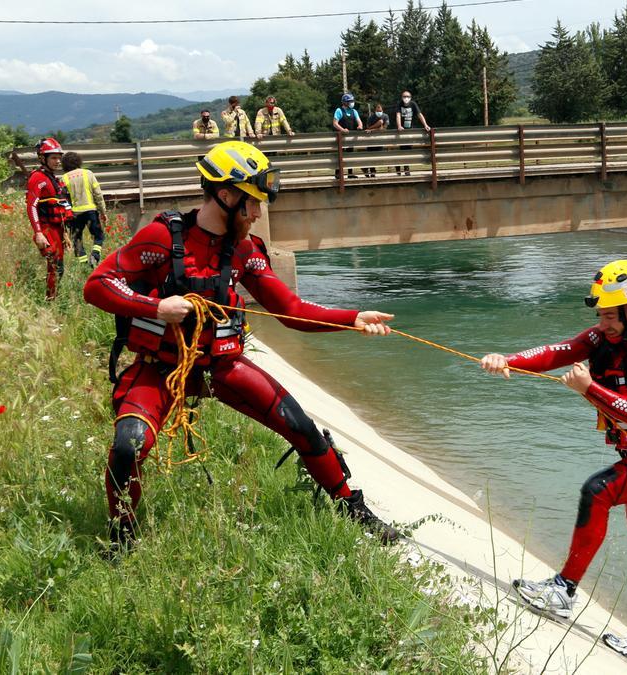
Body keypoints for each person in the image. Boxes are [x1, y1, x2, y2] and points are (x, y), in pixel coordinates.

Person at [83, 140, 400, 551]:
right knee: (128, 447)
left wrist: (351, 319)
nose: (257, 213)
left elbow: (291, 310)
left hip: (223, 369)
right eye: (251, 202)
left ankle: (350, 506)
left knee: (302, 428)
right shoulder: (161, 236)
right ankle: (122, 538)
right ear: (225, 195)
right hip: (161, 370)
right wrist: (156, 306)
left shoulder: (246, 250)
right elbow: (97, 285)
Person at [479, 260, 627, 661]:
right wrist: (509, 360)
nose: (602, 323)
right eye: (600, 315)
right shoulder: (608, 335)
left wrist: (589, 388)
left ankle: (563, 590)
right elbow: (560, 351)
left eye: (609, 315)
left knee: (598, 491)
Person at [25, 137, 73, 300]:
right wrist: (38, 233)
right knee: (55, 265)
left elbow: (59, 208)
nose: (58, 161)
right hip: (46, 230)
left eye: (59, 157)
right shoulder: (37, 178)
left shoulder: (52, 178)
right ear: (42, 158)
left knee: (59, 267)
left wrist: (64, 233)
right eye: (53, 157)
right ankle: (50, 301)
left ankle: (54, 299)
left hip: (57, 230)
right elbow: (31, 206)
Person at [60, 151, 107, 268]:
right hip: (90, 211)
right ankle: (95, 256)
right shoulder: (88, 173)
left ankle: (84, 265)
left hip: (74, 214)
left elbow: (63, 200)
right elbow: (98, 194)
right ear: (78, 161)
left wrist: (65, 220)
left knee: (77, 239)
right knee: (99, 236)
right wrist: (103, 211)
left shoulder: (64, 178)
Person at [393, 90, 430, 176]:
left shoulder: (413, 104)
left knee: (408, 150)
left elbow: (419, 114)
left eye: (407, 96)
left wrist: (425, 125)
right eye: (404, 96)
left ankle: (406, 169)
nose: (406, 98)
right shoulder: (399, 104)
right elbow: (398, 115)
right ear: (402, 98)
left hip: (409, 130)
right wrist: (399, 126)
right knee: (401, 150)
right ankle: (398, 168)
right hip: (401, 131)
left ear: (410, 97)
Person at [332, 93, 363, 178]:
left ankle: (350, 173)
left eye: (352, 101)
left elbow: (359, 121)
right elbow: (335, 123)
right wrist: (342, 130)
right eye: (350, 101)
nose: (352, 102)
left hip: (350, 138)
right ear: (345, 102)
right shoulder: (339, 110)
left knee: (350, 155)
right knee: (340, 155)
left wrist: (360, 126)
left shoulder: (354, 111)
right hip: (341, 137)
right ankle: (338, 174)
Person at [363, 103, 390, 178]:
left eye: (380, 110)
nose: (379, 112)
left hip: (380, 139)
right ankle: (371, 171)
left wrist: (372, 129)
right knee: (370, 155)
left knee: (378, 155)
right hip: (370, 140)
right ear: (375, 111)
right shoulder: (371, 117)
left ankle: (369, 170)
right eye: (377, 110)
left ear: (382, 110)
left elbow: (384, 128)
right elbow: (367, 129)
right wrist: (377, 127)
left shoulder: (385, 116)